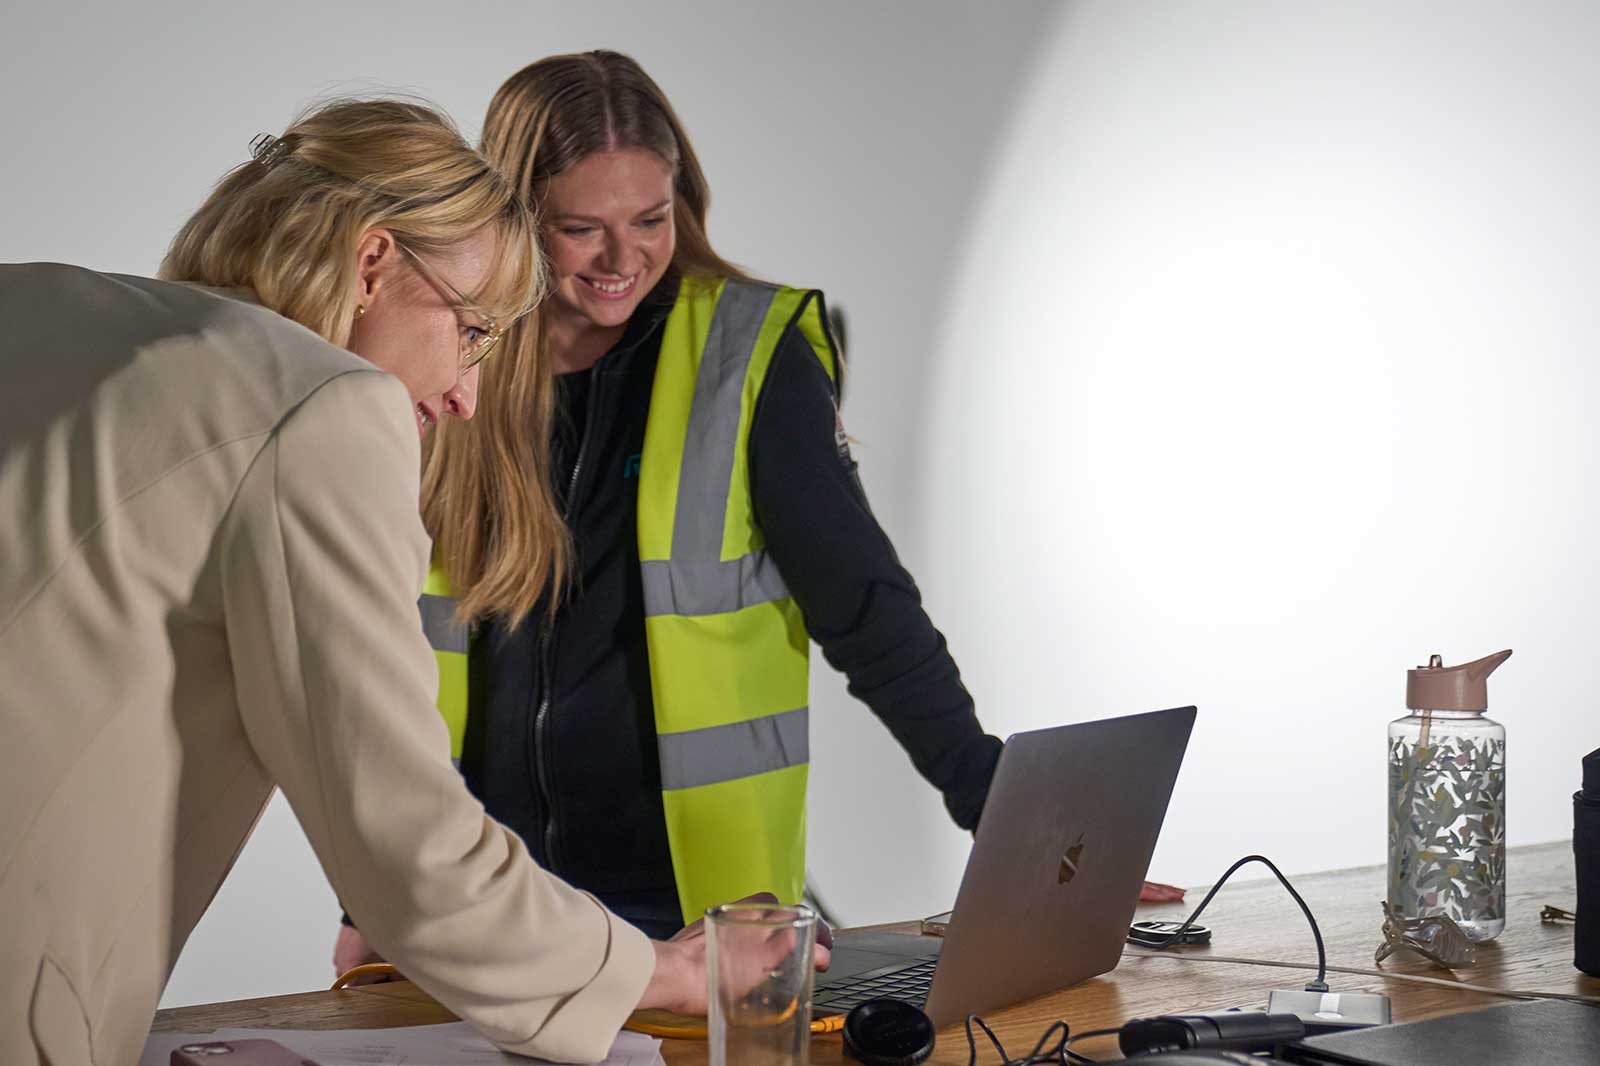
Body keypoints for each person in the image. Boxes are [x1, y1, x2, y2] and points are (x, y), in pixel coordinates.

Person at [335, 51, 1184, 976]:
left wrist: (1006, 814)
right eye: (582, 228)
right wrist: (364, 890)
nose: (624, 260)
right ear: (513, 220)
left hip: (697, 914)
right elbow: (380, 652)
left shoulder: (746, 357)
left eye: (651, 220)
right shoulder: (449, 366)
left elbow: (865, 607)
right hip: (480, 899)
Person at [0, 98, 741, 1066]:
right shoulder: (319, 407)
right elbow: (409, 850)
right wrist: (665, 973)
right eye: (473, 328)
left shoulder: (35, 300)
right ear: (372, 261)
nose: (468, 393)